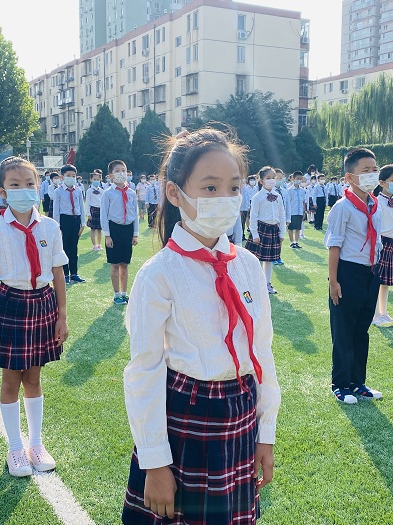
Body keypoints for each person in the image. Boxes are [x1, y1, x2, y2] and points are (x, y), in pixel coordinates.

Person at [121, 128, 280, 525]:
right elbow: (144, 369)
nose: (224, 199)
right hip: (186, 420)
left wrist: (266, 431)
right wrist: (155, 463)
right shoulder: (159, 274)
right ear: (175, 194)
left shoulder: (246, 264)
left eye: (233, 188)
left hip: (240, 413)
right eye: (209, 188)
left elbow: (261, 351)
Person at [0, 156, 69, 478]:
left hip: (43, 304)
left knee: (34, 377)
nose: (23, 190)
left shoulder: (50, 226)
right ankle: (15, 447)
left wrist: (62, 316)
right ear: (2, 192)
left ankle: (36, 443)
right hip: (10, 305)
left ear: (39, 187)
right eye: (15, 185)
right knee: (10, 379)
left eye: (29, 184)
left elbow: (58, 273)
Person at [324, 147, 383, 405]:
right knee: (344, 331)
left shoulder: (375, 205)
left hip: (370, 273)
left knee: (362, 330)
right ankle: (340, 384)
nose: (372, 175)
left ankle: (357, 382)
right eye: (365, 171)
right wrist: (334, 281)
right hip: (347, 272)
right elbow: (334, 246)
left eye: (375, 170)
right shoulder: (343, 207)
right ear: (350, 177)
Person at [100, 160, 139, 305]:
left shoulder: (132, 193)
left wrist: (135, 234)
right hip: (114, 229)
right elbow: (104, 215)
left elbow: (134, 214)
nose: (121, 173)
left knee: (125, 264)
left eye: (123, 170)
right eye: (117, 171)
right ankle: (116, 294)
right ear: (110, 176)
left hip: (127, 229)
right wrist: (107, 235)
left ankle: (124, 293)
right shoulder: (108, 194)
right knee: (115, 264)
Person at [244, 166, 287, 294]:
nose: (272, 180)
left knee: (269, 260)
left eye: (273, 178)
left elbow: (282, 215)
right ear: (261, 180)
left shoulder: (277, 196)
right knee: (256, 259)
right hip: (261, 229)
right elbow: (253, 216)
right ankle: (254, 283)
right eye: (268, 178)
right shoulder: (257, 197)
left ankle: (267, 283)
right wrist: (255, 233)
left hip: (274, 230)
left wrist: (282, 232)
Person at [372, 165, 393, 328]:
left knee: (386, 283)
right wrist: (378, 247)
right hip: (382, 244)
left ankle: (383, 312)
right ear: (382, 182)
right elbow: (375, 227)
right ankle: (375, 315)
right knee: (376, 281)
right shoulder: (377, 202)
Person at [51, 164, 86, 284]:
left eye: (73, 176)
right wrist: (58, 226)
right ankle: (65, 274)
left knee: (74, 248)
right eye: (68, 176)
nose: (71, 178)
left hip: (75, 220)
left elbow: (81, 206)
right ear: (62, 177)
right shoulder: (58, 191)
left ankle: (74, 273)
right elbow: (56, 209)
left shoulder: (78, 191)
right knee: (64, 248)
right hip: (64, 220)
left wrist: (83, 223)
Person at [286, 171, 307, 249]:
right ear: (293, 179)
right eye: (297, 179)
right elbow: (287, 202)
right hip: (292, 212)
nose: (299, 180)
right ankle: (291, 242)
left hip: (299, 211)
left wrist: (304, 211)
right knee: (291, 228)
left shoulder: (302, 190)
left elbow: (303, 201)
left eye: (300, 179)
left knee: (298, 228)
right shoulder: (289, 190)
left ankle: (296, 242)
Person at [85, 169, 104, 250]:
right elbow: (87, 203)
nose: (96, 181)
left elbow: (103, 202)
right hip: (93, 210)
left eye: (98, 180)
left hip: (100, 210)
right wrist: (88, 214)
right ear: (91, 180)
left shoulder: (102, 190)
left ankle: (99, 244)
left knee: (100, 229)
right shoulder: (89, 191)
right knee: (93, 229)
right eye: (94, 179)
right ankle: (94, 245)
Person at [240, 175, 258, 240]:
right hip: (245, 206)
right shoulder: (246, 188)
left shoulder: (256, 188)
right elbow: (246, 198)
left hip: (253, 204)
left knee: (253, 220)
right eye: (251, 180)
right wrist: (248, 206)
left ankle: (253, 234)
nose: (252, 182)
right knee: (243, 221)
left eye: (254, 180)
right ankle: (242, 235)